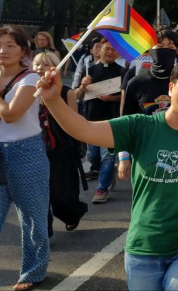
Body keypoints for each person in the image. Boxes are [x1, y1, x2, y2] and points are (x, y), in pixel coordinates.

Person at [37, 57, 178, 291]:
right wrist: (53, 100)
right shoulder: (140, 126)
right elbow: (84, 129)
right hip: (143, 247)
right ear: (171, 88)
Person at [0, 26, 47, 290]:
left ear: (23, 50)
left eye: (10, 45)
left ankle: (33, 271)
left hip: (27, 152)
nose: (2, 50)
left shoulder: (31, 78)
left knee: (32, 218)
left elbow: (11, 114)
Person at [33, 52, 88, 234]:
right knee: (39, 195)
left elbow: (74, 122)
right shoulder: (27, 90)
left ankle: (72, 215)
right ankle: (44, 233)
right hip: (35, 147)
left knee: (60, 193)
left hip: (61, 148)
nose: (40, 68)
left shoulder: (66, 92)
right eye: (37, 64)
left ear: (55, 68)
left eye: (45, 64)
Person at [117, 31, 178, 181]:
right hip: (144, 152)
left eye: (170, 47)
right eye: (160, 46)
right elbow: (126, 121)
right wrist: (124, 157)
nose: (165, 50)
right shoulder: (136, 82)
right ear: (150, 50)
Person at [75, 39, 125, 204]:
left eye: (113, 50)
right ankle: (108, 173)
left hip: (112, 121)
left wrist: (111, 98)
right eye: (106, 49)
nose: (110, 52)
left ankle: (102, 188)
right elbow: (77, 95)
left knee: (107, 157)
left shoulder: (122, 71)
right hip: (91, 120)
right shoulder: (89, 70)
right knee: (92, 156)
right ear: (99, 50)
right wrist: (82, 87)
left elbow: (126, 96)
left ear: (117, 53)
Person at [73, 36, 104, 180]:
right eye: (97, 47)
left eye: (102, 47)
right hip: (89, 108)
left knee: (106, 149)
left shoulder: (117, 66)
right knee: (92, 144)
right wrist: (80, 88)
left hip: (108, 109)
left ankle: (105, 178)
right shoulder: (86, 64)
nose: (100, 50)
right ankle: (94, 167)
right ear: (91, 50)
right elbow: (77, 83)